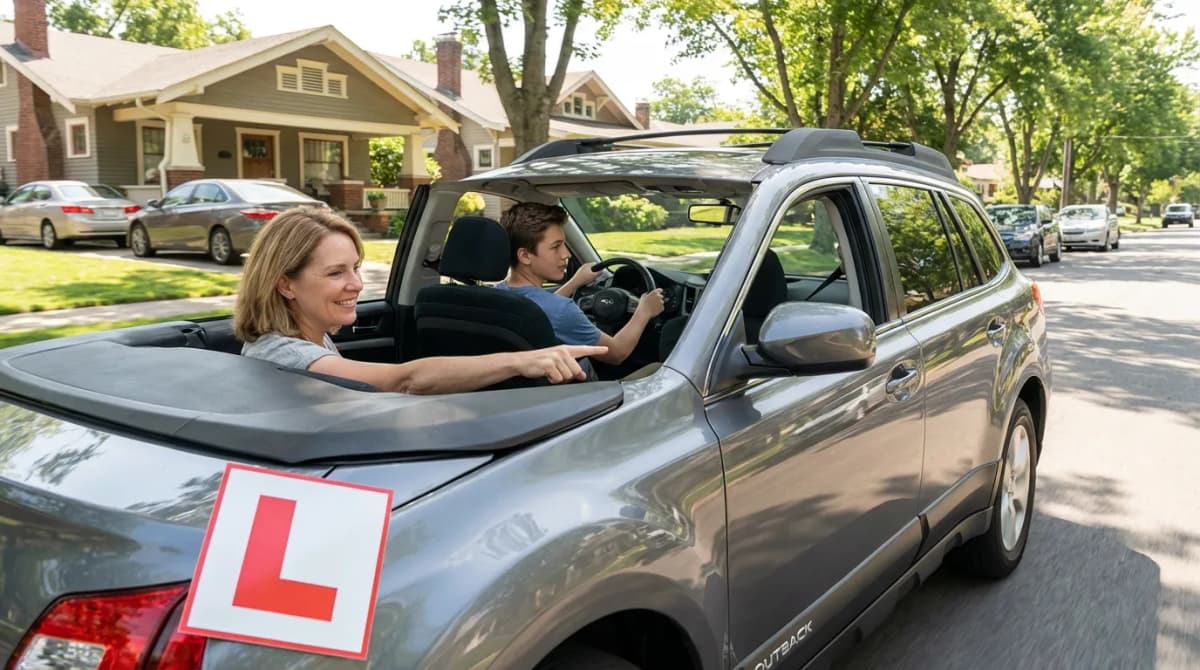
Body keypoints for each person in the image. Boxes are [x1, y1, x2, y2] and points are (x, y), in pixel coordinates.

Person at [234, 207, 605, 394]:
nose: (357, 285)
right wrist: (523, 360)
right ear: (286, 285)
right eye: (336, 273)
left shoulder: (302, 339)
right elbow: (404, 381)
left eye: (356, 268)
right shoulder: (288, 355)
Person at [498, 202, 664, 366]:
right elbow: (616, 353)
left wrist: (575, 282)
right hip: (575, 388)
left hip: (518, 389)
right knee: (656, 369)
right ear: (525, 256)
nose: (566, 254)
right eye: (556, 247)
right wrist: (644, 311)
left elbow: (541, 312)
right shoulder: (562, 310)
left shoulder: (497, 293)